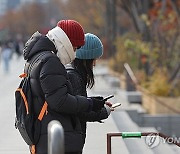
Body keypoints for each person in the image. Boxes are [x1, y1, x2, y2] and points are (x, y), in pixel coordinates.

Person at [22, 20, 108, 154]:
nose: (74, 53)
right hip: (54, 137)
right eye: (75, 48)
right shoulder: (50, 61)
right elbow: (60, 101)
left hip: (44, 133)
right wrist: (91, 103)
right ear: (67, 42)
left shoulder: (37, 57)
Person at [66, 33, 113, 153]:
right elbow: (80, 111)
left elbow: (78, 102)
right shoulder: (74, 76)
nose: (95, 64)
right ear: (87, 59)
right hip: (71, 140)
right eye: (94, 60)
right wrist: (104, 112)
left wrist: (98, 104)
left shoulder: (72, 72)